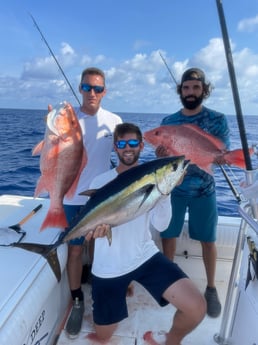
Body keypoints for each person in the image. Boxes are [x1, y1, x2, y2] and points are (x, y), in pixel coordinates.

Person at [86, 123, 206, 345]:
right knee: (104, 336)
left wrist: (166, 190)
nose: (127, 148)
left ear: (142, 145)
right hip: (109, 266)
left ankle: (171, 341)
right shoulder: (100, 182)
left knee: (196, 307)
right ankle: (119, 291)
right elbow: (91, 223)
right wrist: (96, 232)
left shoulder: (154, 176)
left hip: (144, 255)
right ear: (115, 148)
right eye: (121, 144)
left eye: (133, 143)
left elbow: (161, 225)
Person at [156, 67, 230, 318]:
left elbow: (222, 152)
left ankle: (210, 288)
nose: (190, 92)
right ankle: (169, 281)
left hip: (204, 189)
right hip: (174, 189)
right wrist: (161, 154)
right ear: (181, 91)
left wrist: (219, 157)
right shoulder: (169, 122)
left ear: (203, 90)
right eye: (186, 88)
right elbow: (162, 156)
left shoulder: (217, 119)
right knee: (169, 236)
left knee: (208, 240)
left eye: (195, 87)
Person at [64, 67, 122, 338]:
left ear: (105, 91)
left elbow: (127, 154)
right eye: (87, 87)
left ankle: (99, 288)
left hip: (102, 197)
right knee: (75, 251)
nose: (92, 93)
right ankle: (77, 299)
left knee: (100, 245)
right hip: (71, 197)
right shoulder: (67, 118)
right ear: (80, 88)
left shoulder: (113, 120)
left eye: (97, 88)